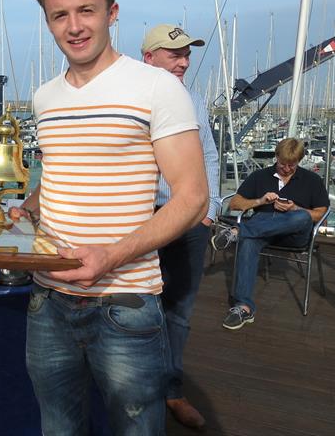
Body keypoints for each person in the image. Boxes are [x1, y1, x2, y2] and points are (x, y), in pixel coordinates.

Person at [9, 0, 208, 435]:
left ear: (112, 12)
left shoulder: (158, 88)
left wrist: (111, 255)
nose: (74, 26)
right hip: (48, 301)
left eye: (87, 11)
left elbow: (193, 197)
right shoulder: (44, 97)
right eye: (60, 15)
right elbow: (56, 175)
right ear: (48, 21)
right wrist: (19, 213)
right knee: (58, 427)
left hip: (126, 302)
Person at [142, 24, 220, 430]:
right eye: (174, 53)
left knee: (180, 311)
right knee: (136, 304)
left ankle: (172, 392)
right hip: (143, 217)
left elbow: (208, 152)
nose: (184, 61)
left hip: (190, 220)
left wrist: (211, 207)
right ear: (148, 57)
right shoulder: (131, 97)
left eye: (187, 53)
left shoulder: (195, 100)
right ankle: (136, 389)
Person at [213, 137, 329, 330]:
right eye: (283, 164)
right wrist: (260, 201)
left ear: (299, 162)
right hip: (262, 231)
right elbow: (234, 203)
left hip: (294, 234)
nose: (286, 169)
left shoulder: (312, 180)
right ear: (276, 157)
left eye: (292, 165)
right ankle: (243, 307)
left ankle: (237, 232)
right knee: (249, 241)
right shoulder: (261, 176)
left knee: (302, 217)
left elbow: (320, 214)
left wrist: (295, 209)